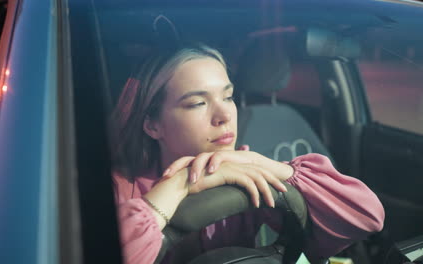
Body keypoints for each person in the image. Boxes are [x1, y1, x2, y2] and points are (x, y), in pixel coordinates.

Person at [110, 43, 385, 264]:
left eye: (228, 97)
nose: (224, 115)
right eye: (197, 103)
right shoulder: (117, 189)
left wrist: (262, 163)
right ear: (152, 124)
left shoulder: (243, 174)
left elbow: (366, 218)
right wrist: (181, 183)